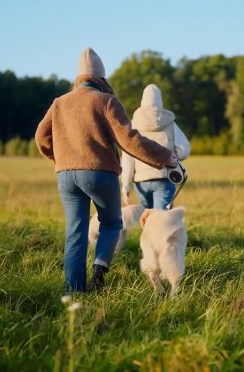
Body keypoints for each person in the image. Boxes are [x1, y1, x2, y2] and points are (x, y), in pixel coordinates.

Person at [35, 48, 176, 294]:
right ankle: (99, 273)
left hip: (66, 176)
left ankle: (74, 291)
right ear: (101, 78)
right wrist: (165, 157)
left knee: (74, 232)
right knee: (111, 223)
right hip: (100, 173)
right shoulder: (105, 101)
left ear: (79, 77)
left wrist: (60, 159)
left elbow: (40, 137)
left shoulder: (59, 103)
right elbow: (129, 140)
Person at [120, 84, 190, 209]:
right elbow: (185, 150)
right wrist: (172, 158)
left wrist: (125, 186)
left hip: (141, 182)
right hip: (164, 177)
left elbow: (128, 159)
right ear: (160, 101)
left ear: (142, 101)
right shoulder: (170, 124)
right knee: (162, 218)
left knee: (147, 218)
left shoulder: (134, 125)